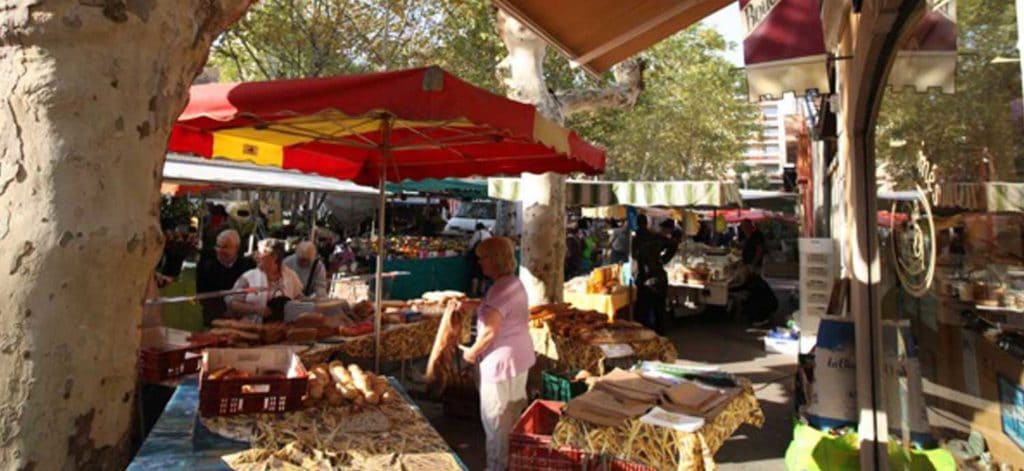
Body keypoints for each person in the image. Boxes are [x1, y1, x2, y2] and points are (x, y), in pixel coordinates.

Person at [457, 237, 536, 471]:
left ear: (495, 259)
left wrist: (470, 354)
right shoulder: (512, 283)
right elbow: (495, 309)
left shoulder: (500, 289)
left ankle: (497, 467)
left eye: (482, 258)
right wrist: (471, 306)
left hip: (501, 363)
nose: (480, 263)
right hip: (519, 358)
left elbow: (490, 331)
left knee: (496, 423)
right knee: (511, 419)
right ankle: (511, 464)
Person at [226, 238, 304, 322]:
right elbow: (232, 303)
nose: (255, 256)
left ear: (274, 256)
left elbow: (298, 298)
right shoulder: (248, 277)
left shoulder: (291, 276)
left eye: (260, 252)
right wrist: (255, 309)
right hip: (253, 328)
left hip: (282, 328)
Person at [195, 229, 256, 326]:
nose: (220, 250)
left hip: (244, 316)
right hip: (216, 317)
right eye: (218, 246)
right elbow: (203, 296)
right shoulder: (205, 267)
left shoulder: (248, 266)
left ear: (236, 248)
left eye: (225, 247)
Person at [631, 214, 677, 335]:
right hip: (659, 277)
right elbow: (673, 244)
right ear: (646, 223)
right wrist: (664, 259)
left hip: (647, 280)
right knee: (659, 311)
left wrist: (663, 259)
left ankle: (647, 338)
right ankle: (661, 338)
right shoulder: (655, 237)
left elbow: (635, 257)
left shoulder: (637, 239)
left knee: (642, 313)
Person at [468, 223, 493, 296]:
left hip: (479, 255)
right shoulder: (488, 234)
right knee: (483, 274)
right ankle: (482, 291)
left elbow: (471, 244)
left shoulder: (478, 233)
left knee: (475, 273)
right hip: (488, 255)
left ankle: (474, 291)